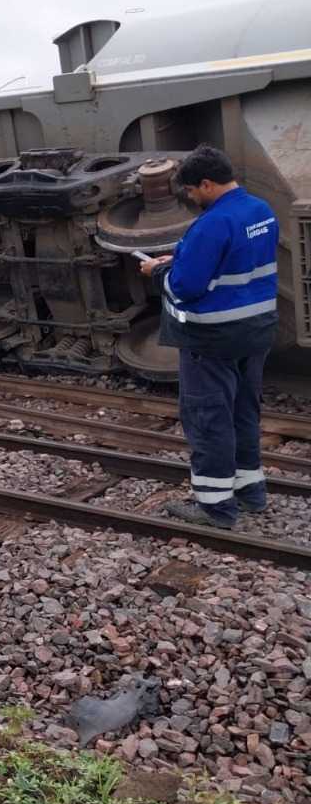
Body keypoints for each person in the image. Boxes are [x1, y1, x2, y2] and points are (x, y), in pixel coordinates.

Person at [139, 145, 279, 528]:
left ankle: (216, 507)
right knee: (243, 411)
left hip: (213, 338)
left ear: (206, 184)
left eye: (191, 191)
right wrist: (182, 259)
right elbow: (236, 262)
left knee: (208, 418)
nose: (190, 197)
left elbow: (185, 288)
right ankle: (252, 493)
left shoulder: (211, 223)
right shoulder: (261, 211)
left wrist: (156, 270)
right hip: (256, 332)